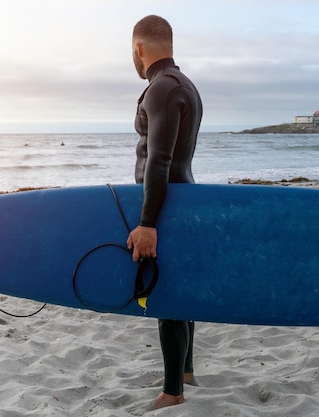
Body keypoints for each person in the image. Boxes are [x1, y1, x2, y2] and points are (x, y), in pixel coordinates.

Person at [126, 15, 203, 409]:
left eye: (131, 52)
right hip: (183, 196)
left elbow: (158, 160)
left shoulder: (160, 88)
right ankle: (185, 371)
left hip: (165, 204)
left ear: (140, 48)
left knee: (167, 295)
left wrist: (147, 223)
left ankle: (173, 393)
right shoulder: (186, 85)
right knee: (181, 290)